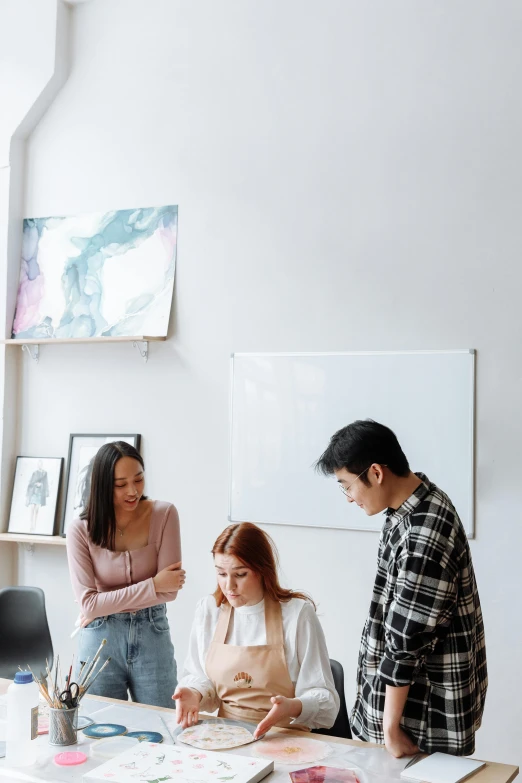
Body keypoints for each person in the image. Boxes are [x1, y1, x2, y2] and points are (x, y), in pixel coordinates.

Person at [315, 419, 487, 758]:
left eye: (347, 485)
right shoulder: (411, 503)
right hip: (406, 703)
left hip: (418, 715)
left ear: (376, 473)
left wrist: (390, 728)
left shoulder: (424, 534)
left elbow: (405, 642)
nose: (349, 498)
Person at [174, 522, 339, 737]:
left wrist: (292, 707)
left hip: (285, 736)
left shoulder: (297, 614)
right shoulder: (209, 609)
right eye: (221, 574)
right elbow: (202, 679)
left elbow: (326, 703)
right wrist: (194, 693)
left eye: (240, 574)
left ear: (262, 570)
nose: (229, 586)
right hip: (226, 735)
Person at [66, 441, 185, 708]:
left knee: (162, 728)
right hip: (99, 638)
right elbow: (89, 605)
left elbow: (170, 591)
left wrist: (103, 602)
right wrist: (153, 584)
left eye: (139, 479)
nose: (133, 491)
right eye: (120, 485)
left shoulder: (165, 514)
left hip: (152, 631)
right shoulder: (80, 530)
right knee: (98, 732)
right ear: (102, 486)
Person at [26, 460, 49, 532]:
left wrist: (41, 485)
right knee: (32, 508)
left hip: (40, 493)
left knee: (37, 509)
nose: (40, 466)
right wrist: (36, 484)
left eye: (41, 464)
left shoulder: (45, 473)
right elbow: (31, 482)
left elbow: (46, 483)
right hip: (34, 492)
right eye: (38, 464)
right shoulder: (34, 473)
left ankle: (35, 525)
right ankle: (30, 525)